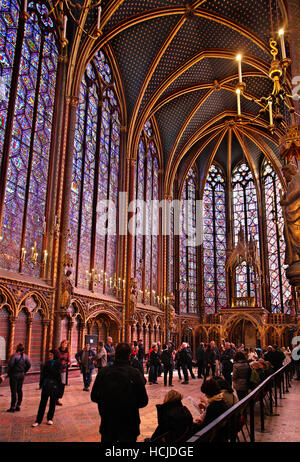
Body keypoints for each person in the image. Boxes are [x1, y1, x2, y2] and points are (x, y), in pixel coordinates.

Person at [91, 342, 148, 442]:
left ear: (115, 353)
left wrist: (107, 404)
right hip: (129, 422)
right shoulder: (135, 374)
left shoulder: (103, 372)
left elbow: (94, 396)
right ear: (130, 355)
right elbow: (143, 401)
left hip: (108, 421)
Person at [32, 350, 62, 427]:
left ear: (55, 355)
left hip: (54, 385)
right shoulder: (47, 363)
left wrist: (59, 389)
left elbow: (58, 376)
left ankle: (50, 418)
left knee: (52, 403)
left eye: (51, 355)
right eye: (49, 355)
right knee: (42, 403)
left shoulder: (58, 364)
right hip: (46, 385)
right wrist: (41, 384)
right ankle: (38, 420)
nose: (49, 356)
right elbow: (43, 374)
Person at [7, 343, 31, 413]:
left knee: (13, 391)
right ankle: (18, 405)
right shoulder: (25, 356)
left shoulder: (14, 356)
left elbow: (10, 365)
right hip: (21, 375)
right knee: (19, 390)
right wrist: (24, 371)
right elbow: (29, 365)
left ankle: (12, 406)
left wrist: (10, 372)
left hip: (14, 375)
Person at [55, 339, 70, 406]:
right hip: (57, 370)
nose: (64, 345)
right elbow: (54, 359)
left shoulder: (67, 352)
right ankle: (54, 398)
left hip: (63, 370)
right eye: (63, 343)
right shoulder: (57, 351)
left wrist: (67, 364)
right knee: (56, 384)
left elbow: (69, 361)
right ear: (61, 344)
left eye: (66, 344)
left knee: (62, 385)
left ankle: (58, 398)